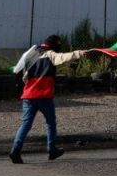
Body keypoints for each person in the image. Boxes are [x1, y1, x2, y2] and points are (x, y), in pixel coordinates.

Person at [9, 35, 94, 164]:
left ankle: (15, 150)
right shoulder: (51, 54)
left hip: (28, 95)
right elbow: (64, 57)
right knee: (50, 123)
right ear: (55, 44)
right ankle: (51, 150)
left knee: (25, 124)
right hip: (44, 96)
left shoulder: (30, 53)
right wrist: (80, 53)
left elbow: (20, 71)